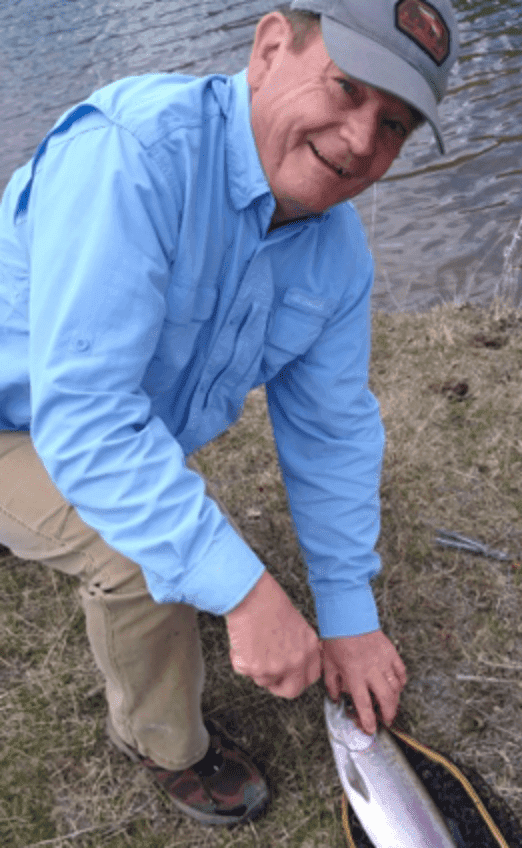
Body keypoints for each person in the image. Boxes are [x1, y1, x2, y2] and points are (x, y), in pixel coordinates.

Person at [0, 0, 458, 827]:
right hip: (18, 422)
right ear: (270, 46)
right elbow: (90, 421)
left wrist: (349, 613)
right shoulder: (132, 155)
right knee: (140, 558)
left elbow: (332, 430)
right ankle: (162, 743)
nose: (361, 141)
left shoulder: (337, 250)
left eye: (393, 125)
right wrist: (248, 594)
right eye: (346, 88)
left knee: (167, 517)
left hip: (91, 419)